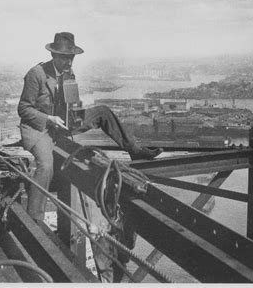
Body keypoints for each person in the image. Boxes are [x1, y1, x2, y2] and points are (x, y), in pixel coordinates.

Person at [17, 32, 162, 223]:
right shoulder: (36, 74)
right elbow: (23, 109)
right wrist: (49, 119)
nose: (69, 62)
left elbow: (72, 102)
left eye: (71, 58)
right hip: (41, 129)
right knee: (46, 165)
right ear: (54, 55)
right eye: (65, 58)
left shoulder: (69, 73)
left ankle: (134, 150)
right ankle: (34, 218)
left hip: (63, 124)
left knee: (103, 112)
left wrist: (77, 112)